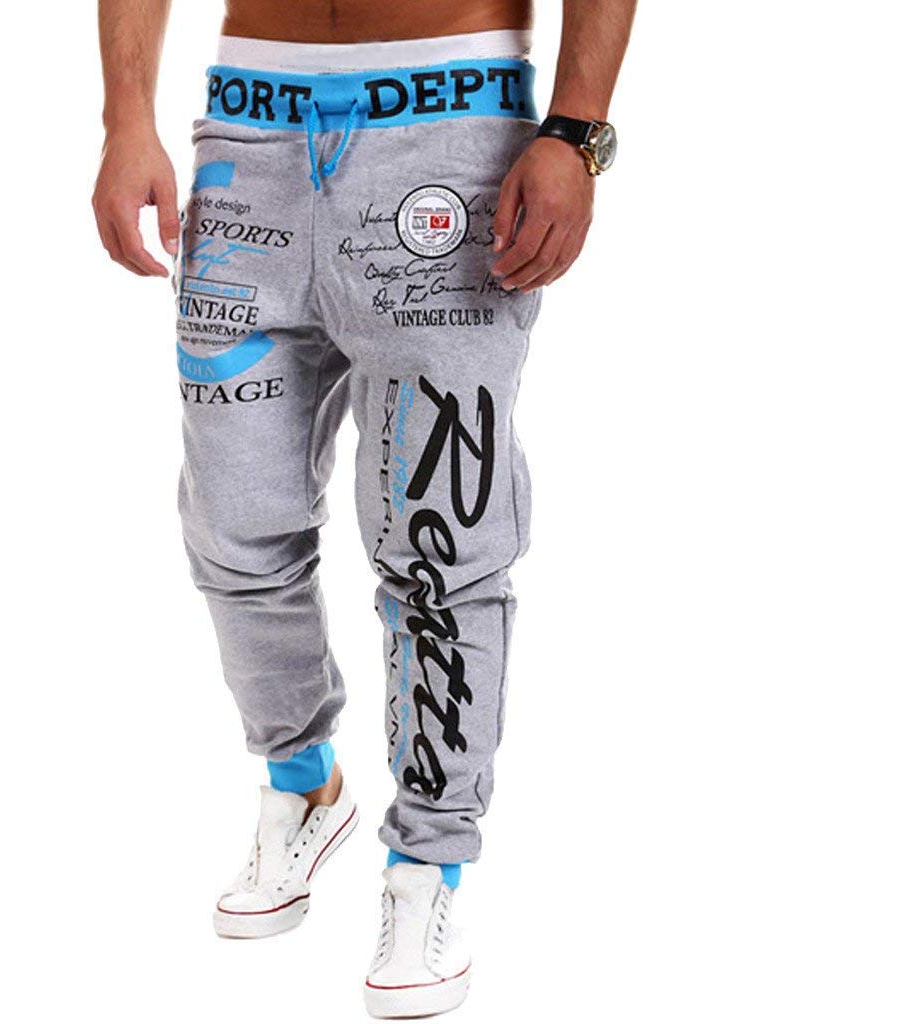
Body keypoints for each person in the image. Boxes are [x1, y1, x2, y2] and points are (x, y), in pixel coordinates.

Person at [93, 0, 635, 1016]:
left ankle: (428, 862)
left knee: (439, 539)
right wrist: (127, 115)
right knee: (233, 524)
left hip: (449, 131)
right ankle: (303, 783)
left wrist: (574, 128)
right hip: (247, 135)